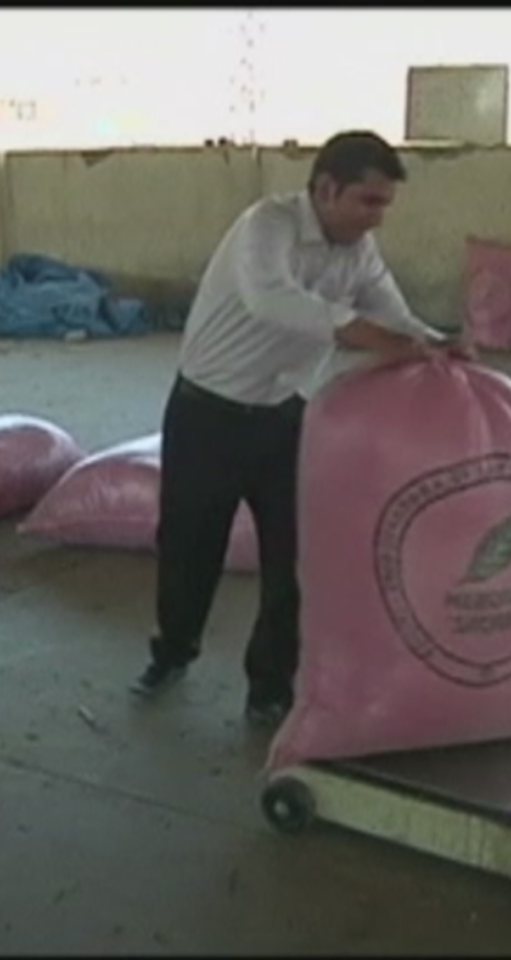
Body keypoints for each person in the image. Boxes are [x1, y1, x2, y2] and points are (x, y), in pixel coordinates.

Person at [131, 129, 463, 727]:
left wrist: (433, 342)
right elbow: (273, 301)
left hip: (285, 418)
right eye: (368, 202)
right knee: (189, 548)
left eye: (384, 204)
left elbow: (390, 308)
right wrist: (378, 340)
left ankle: (270, 687)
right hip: (208, 412)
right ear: (326, 189)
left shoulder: (357, 250)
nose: (376, 218)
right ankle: (173, 651)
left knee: (295, 560)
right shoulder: (267, 227)